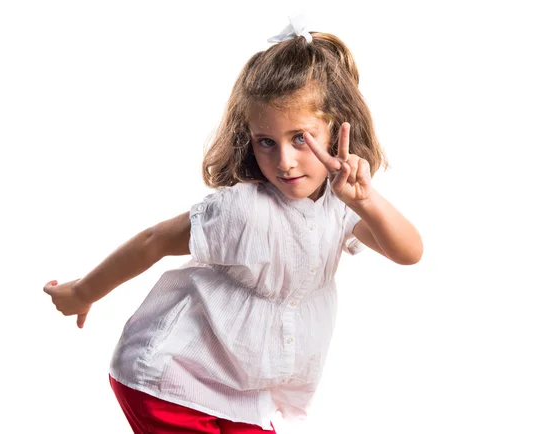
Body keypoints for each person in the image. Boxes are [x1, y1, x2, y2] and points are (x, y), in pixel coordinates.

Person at [44, 15, 423, 434]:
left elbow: (408, 252)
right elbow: (154, 241)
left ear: (335, 129)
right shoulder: (243, 210)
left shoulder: (341, 205)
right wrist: (82, 292)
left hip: (239, 391)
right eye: (267, 142)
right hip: (168, 377)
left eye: (301, 137)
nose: (284, 161)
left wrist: (366, 200)